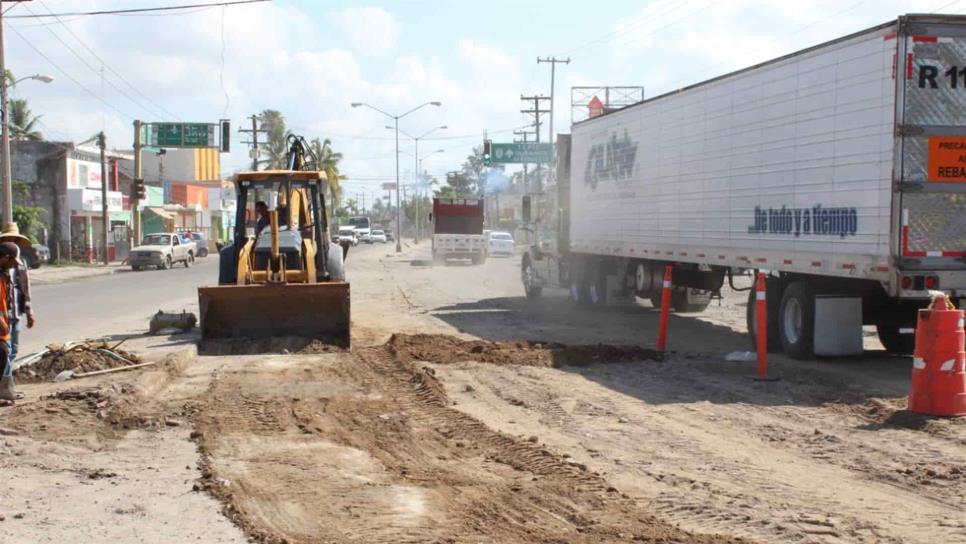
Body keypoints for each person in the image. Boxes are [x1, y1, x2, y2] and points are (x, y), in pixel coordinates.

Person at [0, 223, 35, 384]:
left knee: (12, 350)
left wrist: (29, 311)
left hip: (15, 312)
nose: (12, 240)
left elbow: (25, 288)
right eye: (9, 238)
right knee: (4, 351)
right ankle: (6, 387)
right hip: (3, 318)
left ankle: (7, 385)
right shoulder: (3, 265)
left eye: (15, 238)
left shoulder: (18, 264)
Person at [0, 242, 21, 405]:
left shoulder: (4, 273)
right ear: (6, 258)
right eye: (13, 261)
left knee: (4, 353)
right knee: (3, 353)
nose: (14, 265)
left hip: (3, 325)